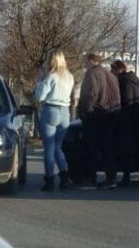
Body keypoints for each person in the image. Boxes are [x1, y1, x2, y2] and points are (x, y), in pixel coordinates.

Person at [78, 53, 122, 189]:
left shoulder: (92, 74)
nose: (85, 65)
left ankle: (90, 179)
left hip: (96, 115)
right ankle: (111, 178)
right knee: (108, 149)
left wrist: (86, 111)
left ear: (91, 61)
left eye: (86, 62)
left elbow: (90, 94)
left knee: (90, 148)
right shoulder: (111, 75)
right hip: (112, 113)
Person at [34, 49, 75, 191]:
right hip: (65, 112)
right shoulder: (69, 76)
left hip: (51, 110)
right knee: (58, 146)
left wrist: (39, 83)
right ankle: (65, 177)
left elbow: (40, 97)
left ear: (52, 60)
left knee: (49, 148)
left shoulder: (51, 76)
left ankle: (49, 180)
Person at [110, 60, 139, 187]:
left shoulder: (124, 82)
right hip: (136, 120)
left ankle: (125, 176)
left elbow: (126, 101)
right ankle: (126, 175)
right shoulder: (134, 81)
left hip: (126, 121)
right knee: (129, 149)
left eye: (112, 70)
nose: (111, 73)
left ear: (118, 69)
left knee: (124, 150)